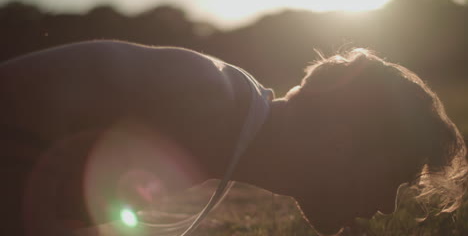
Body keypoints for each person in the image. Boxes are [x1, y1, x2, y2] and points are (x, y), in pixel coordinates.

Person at [0, 40, 466, 236]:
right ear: (342, 140)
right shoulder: (205, 101)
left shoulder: (223, 123)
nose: (387, 205)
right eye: (392, 178)